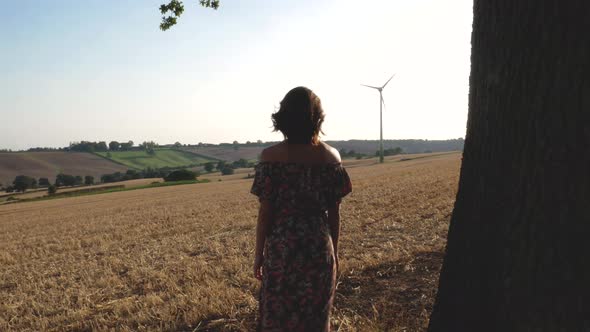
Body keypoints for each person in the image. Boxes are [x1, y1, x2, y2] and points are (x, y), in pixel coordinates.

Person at [251, 86, 352, 331]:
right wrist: (334, 254)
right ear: (317, 118)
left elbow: (266, 214)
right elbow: (334, 213)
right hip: (318, 247)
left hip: (282, 249)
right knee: (315, 319)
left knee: (278, 318)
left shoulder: (269, 158)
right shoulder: (331, 157)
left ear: (283, 118)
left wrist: (258, 255)